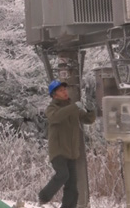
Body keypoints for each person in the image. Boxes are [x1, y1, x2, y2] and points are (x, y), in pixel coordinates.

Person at [38, 80, 96, 208]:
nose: (65, 92)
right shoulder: (52, 108)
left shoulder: (72, 108)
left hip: (72, 152)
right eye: (61, 90)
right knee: (63, 174)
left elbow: (88, 119)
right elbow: (55, 117)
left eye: (65, 89)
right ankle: (43, 197)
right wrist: (74, 106)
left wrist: (91, 109)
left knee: (72, 187)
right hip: (58, 151)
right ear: (54, 95)